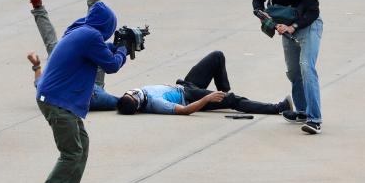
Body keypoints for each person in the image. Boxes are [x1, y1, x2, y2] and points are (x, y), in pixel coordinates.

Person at [33, 0, 129, 183]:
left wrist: (116, 47)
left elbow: (99, 51)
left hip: (61, 100)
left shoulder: (82, 30)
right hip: (57, 101)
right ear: (107, 25)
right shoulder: (90, 36)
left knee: (81, 146)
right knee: (71, 151)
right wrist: (123, 50)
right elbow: (111, 65)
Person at [251, 0, 323, 135]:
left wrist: (293, 27)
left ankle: (315, 119)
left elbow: (313, 10)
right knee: (293, 72)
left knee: (307, 68)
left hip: (308, 25)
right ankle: (301, 111)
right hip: (284, 24)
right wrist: (262, 15)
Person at [115, 51, 287, 116]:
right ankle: (278, 108)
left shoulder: (131, 98)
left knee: (217, 57)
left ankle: (223, 94)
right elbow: (185, 110)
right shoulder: (156, 103)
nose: (134, 91)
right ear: (139, 104)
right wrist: (207, 99)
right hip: (190, 97)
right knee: (233, 100)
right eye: (135, 95)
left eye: (130, 92)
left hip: (186, 85)